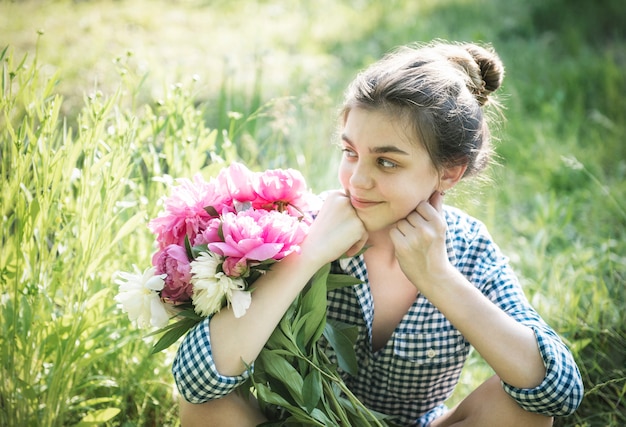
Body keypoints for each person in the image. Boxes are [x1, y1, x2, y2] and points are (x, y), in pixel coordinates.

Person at [172, 40, 584, 426]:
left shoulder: (469, 249)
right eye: (351, 153)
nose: (357, 181)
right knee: (210, 407)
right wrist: (307, 256)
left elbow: (560, 393)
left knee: (522, 410)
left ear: (449, 172)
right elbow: (194, 382)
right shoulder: (296, 225)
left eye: (386, 162)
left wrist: (437, 278)